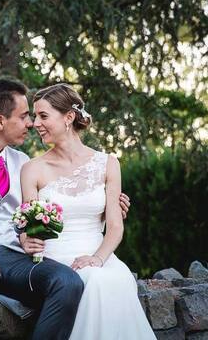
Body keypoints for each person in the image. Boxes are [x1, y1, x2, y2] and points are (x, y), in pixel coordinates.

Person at [0, 79, 130, 340]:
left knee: (67, 282)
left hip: (14, 259)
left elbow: (42, 214)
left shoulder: (22, 162)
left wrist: (107, 206)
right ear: (0, 121)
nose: (31, 124)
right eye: (24, 116)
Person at [20, 83, 156, 340]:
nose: (35, 123)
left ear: (69, 117)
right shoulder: (32, 169)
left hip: (101, 256)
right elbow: (28, 229)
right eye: (35, 116)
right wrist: (27, 241)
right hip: (58, 261)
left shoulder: (108, 163)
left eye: (43, 116)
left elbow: (115, 226)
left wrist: (98, 258)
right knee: (95, 282)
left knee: (112, 279)